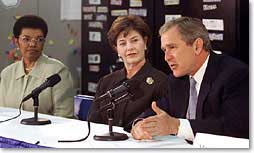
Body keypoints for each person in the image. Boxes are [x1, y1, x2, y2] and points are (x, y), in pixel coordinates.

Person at [131, 17, 249, 141]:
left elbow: (237, 129)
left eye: (172, 47)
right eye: (164, 50)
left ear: (197, 46)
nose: (166, 57)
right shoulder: (177, 80)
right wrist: (140, 124)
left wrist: (176, 126)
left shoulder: (235, 75)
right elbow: (158, 111)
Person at [89, 15, 169, 131]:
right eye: (122, 43)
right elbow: (94, 122)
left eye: (135, 40)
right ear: (117, 49)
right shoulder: (106, 82)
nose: (129, 47)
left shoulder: (161, 82)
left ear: (145, 42)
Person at [0, 15, 74, 118]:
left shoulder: (58, 71)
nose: (32, 44)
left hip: (47, 132)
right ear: (16, 42)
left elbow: (65, 117)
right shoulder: (7, 74)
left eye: (39, 39)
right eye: (26, 39)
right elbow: (3, 114)